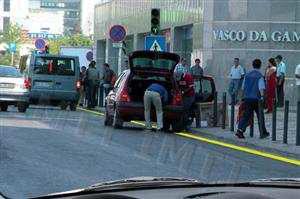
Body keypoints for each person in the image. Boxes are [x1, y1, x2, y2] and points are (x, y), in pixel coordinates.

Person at [236, 59, 270, 139]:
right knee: (260, 116)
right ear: (260, 65)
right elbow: (261, 88)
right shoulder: (259, 76)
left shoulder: (247, 75)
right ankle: (263, 132)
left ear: (252, 65)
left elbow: (243, 88)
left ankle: (240, 130)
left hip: (247, 98)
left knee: (246, 115)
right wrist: (262, 97)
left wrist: (242, 98)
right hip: (257, 99)